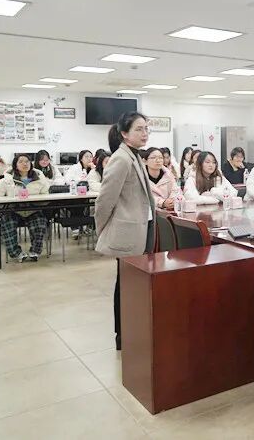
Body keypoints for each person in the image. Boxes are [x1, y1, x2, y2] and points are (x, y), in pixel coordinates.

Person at [95, 112, 156, 351]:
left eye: (146, 128)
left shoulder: (134, 155)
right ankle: (122, 335)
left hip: (141, 228)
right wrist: (102, 229)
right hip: (128, 231)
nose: (145, 133)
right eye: (139, 129)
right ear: (124, 133)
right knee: (125, 284)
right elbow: (105, 200)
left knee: (132, 283)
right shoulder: (121, 158)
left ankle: (130, 330)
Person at [0, 154, 50, 262]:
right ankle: (16, 253)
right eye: (21, 161)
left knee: (40, 222)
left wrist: (39, 201)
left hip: (32, 209)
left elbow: (46, 194)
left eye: (27, 161)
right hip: (12, 210)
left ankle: (35, 251)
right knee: (7, 223)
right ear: (15, 165)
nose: (24, 164)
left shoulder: (39, 178)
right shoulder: (7, 179)